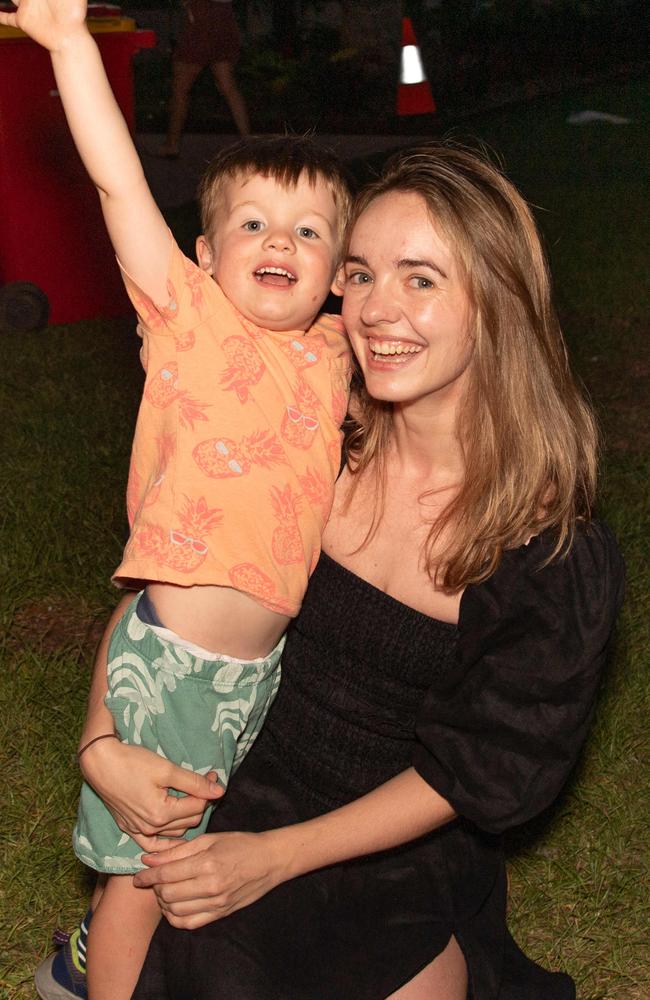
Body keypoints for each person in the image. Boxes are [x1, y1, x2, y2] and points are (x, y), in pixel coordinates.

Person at [44, 141, 624, 999]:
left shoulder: (547, 548)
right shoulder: (309, 433)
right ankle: (113, 939)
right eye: (360, 273)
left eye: (421, 279)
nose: (376, 310)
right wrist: (102, 744)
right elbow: (166, 591)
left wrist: (274, 861)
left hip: (395, 842)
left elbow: (480, 772)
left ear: (496, 302)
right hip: (238, 777)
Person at [2, 1, 353, 997]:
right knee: (143, 883)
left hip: (257, 677)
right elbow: (116, 181)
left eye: (307, 229)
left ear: (336, 272)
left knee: (184, 862)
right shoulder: (190, 322)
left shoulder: (334, 355)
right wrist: (70, 44)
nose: (277, 240)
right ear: (202, 254)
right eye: (249, 223)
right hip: (172, 664)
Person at [158, 0, 249, 157]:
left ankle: (172, 144)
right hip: (224, 18)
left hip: (202, 19)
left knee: (180, 89)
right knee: (229, 87)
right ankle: (248, 142)